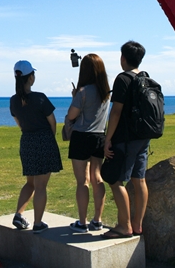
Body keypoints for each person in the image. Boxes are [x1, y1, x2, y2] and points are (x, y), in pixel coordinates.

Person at [100, 41, 149, 239]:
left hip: (126, 138)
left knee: (115, 179)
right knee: (140, 180)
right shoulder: (145, 78)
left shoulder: (123, 79)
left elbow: (116, 111)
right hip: (143, 137)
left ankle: (124, 225)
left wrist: (107, 138)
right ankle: (138, 225)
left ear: (123, 58)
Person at [9, 60, 63, 234]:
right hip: (43, 141)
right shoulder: (39, 97)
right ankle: (38, 223)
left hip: (27, 142)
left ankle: (19, 214)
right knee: (40, 186)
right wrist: (49, 139)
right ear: (30, 77)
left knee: (30, 183)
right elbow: (52, 122)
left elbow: (19, 123)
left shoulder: (13, 100)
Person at [65, 53, 111, 232]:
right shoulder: (105, 92)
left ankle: (82, 223)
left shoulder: (83, 92)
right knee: (97, 178)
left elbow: (71, 115)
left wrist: (74, 96)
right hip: (99, 136)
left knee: (82, 181)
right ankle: (97, 220)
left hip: (81, 137)